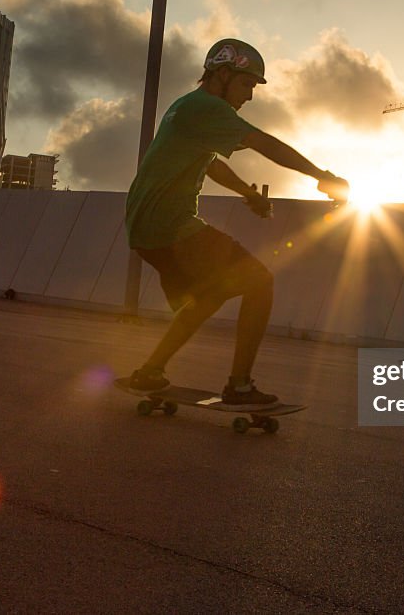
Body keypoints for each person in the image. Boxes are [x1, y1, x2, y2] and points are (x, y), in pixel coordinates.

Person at [118, 38, 349, 410]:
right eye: (247, 84)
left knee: (209, 296)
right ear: (222, 75)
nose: (250, 96)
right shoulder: (206, 106)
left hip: (146, 228)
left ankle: (150, 371)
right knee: (260, 281)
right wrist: (321, 175)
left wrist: (247, 192)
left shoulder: (184, 108)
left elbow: (209, 162)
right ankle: (239, 386)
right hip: (170, 226)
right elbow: (263, 143)